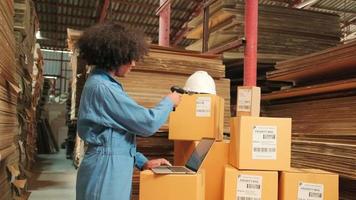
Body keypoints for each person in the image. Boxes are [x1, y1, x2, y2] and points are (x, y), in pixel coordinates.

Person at [75, 21, 181, 200]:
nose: (133, 63)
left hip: (110, 167)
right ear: (114, 56)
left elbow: (115, 138)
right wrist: (169, 102)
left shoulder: (104, 85)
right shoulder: (103, 89)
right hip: (106, 170)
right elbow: (147, 123)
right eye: (129, 57)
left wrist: (143, 162)